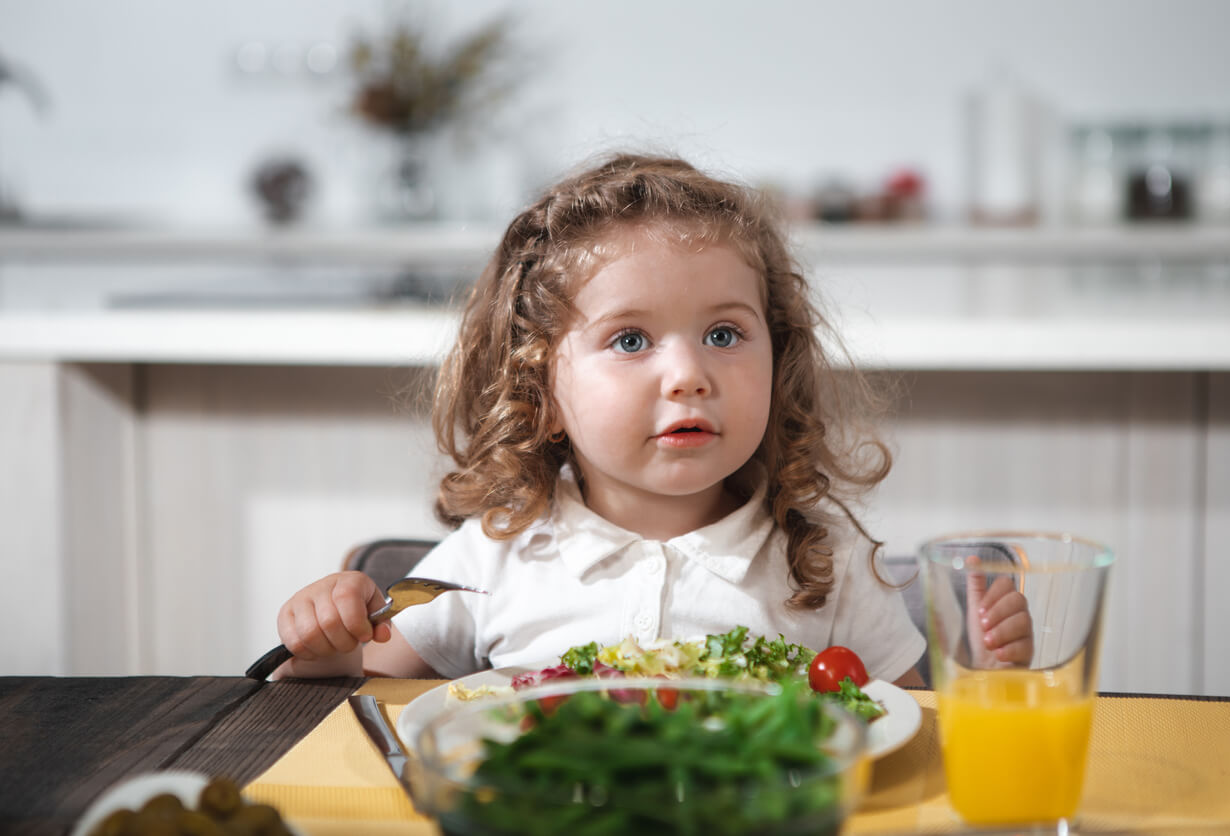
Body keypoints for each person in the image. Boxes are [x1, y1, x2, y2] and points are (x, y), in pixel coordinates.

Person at [273, 152, 1031, 685]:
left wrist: (986, 678)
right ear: (540, 389)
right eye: (631, 340)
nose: (690, 376)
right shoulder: (494, 558)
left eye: (725, 335)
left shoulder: (825, 561)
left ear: (780, 354)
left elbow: (905, 720)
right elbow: (368, 689)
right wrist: (329, 641)